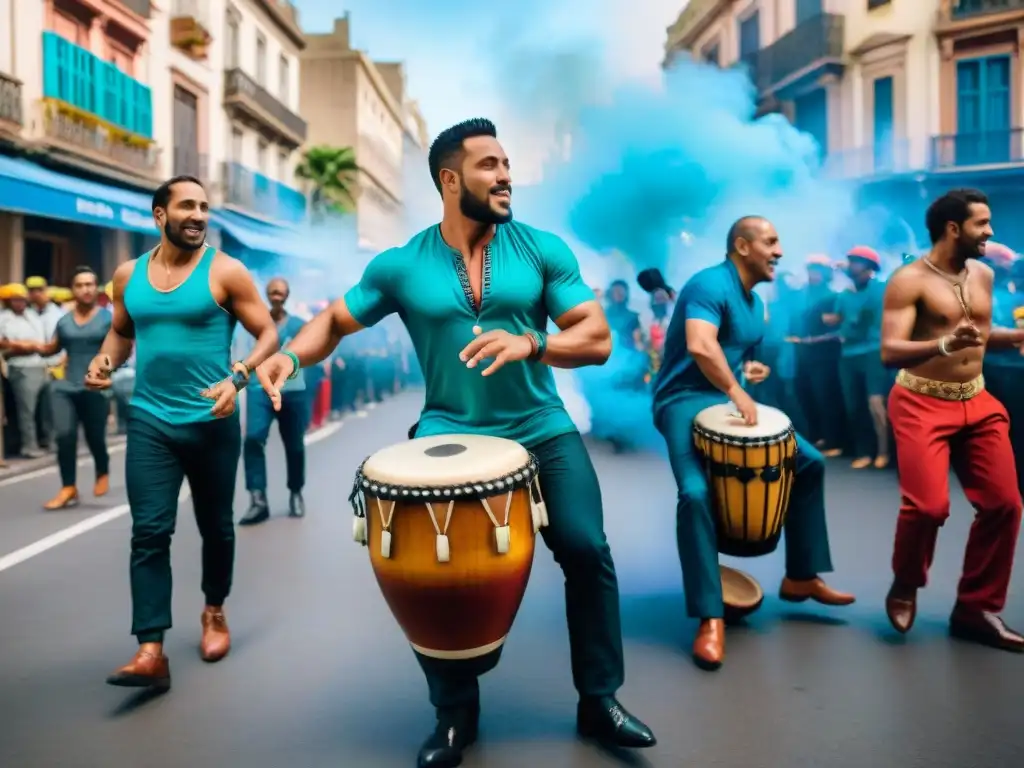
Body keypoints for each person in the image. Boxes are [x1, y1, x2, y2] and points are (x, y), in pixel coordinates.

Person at [255, 118, 655, 767]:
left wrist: (535, 342)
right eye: (489, 164)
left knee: (586, 548)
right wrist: (290, 361)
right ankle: (454, 714)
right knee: (434, 572)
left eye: (506, 164)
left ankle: (599, 699)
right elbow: (332, 321)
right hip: (448, 430)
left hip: (542, 428)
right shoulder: (402, 264)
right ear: (449, 179)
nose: (505, 175)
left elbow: (597, 336)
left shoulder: (541, 249)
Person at [85, 175, 279, 689]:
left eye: (204, 207)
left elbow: (269, 332)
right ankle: (150, 649)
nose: (198, 215)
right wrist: (104, 361)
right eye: (187, 206)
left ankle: (214, 609)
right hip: (150, 420)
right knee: (149, 531)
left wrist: (238, 379)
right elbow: (122, 332)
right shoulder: (128, 276)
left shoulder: (227, 272)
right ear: (159, 215)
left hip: (211, 421)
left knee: (216, 526)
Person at [651, 216, 855, 672]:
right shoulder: (708, 284)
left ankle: (802, 576)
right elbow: (702, 346)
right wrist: (739, 391)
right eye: (771, 241)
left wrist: (747, 377)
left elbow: (737, 355)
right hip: (683, 400)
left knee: (809, 463)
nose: (780, 251)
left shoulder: (755, 301)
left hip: (724, 396)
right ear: (742, 246)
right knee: (696, 493)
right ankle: (709, 615)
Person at [881, 188, 1024, 652]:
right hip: (921, 401)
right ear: (953, 228)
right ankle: (906, 583)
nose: (991, 232)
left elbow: (979, 337)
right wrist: (944, 344)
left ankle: (976, 609)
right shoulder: (909, 280)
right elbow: (890, 351)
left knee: (1005, 504)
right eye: (982, 224)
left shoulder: (981, 274)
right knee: (927, 508)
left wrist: (1017, 336)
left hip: (977, 403)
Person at [31, 266, 112, 509]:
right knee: (64, 436)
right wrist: (20, 345)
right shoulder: (64, 321)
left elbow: (118, 352)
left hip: (95, 387)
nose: (85, 289)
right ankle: (68, 487)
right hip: (66, 386)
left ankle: (102, 470)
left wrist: (108, 373)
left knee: (94, 436)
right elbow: (52, 348)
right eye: (80, 285)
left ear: (95, 288)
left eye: (89, 284)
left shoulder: (108, 318)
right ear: (72, 290)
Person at [240, 277, 310, 525]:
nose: (277, 296)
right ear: (266, 295)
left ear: (287, 295)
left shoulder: (300, 325)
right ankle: (258, 500)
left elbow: (311, 352)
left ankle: (295, 492)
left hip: (292, 391)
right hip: (259, 390)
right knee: (253, 439)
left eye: (281, 292)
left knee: (294, 445)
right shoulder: (256, 323)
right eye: (272, 292)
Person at [828, 247, 893, 469]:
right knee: (853, 404)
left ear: (869, 267)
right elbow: (841, 318)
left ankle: (883, 452)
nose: (850, 266)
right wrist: (832, 321)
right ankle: (863, 452)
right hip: (848, 355)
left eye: (856, 262)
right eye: (850, 261)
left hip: (873, 351)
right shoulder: (845, 295)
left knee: (875, 403)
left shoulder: (881, 289)